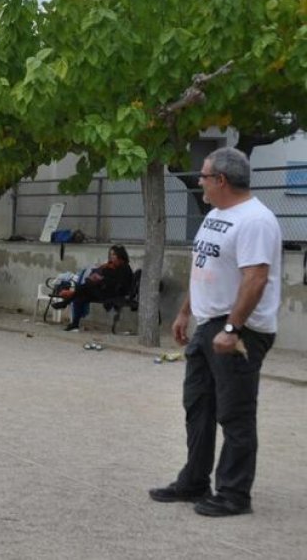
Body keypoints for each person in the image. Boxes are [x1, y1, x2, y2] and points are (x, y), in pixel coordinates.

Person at [149, 147, 281, 517]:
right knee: (199, 407)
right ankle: (193, 481)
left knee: (235, 414)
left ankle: (234, 494)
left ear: (221, 180)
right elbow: (205, 265)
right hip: (209, 324)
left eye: (204, 176)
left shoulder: (255, 220)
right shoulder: (216, 214)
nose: (200, 182)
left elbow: (255, 280)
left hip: (240, 330)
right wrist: (186, 311)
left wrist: (232, 329)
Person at [56, 245, 132, 332]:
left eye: (114, 255)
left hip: (113, 295)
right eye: (110, 254)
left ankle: (66, 301)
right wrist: (98, 278)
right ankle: (74, 323)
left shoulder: (124, 268)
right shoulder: (110, 266)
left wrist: (101, 279)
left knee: (86, 287)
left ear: (120, 256)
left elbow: (118, 284)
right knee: (81, 295)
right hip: (104, 291)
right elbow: (106, 278)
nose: (111, 257)